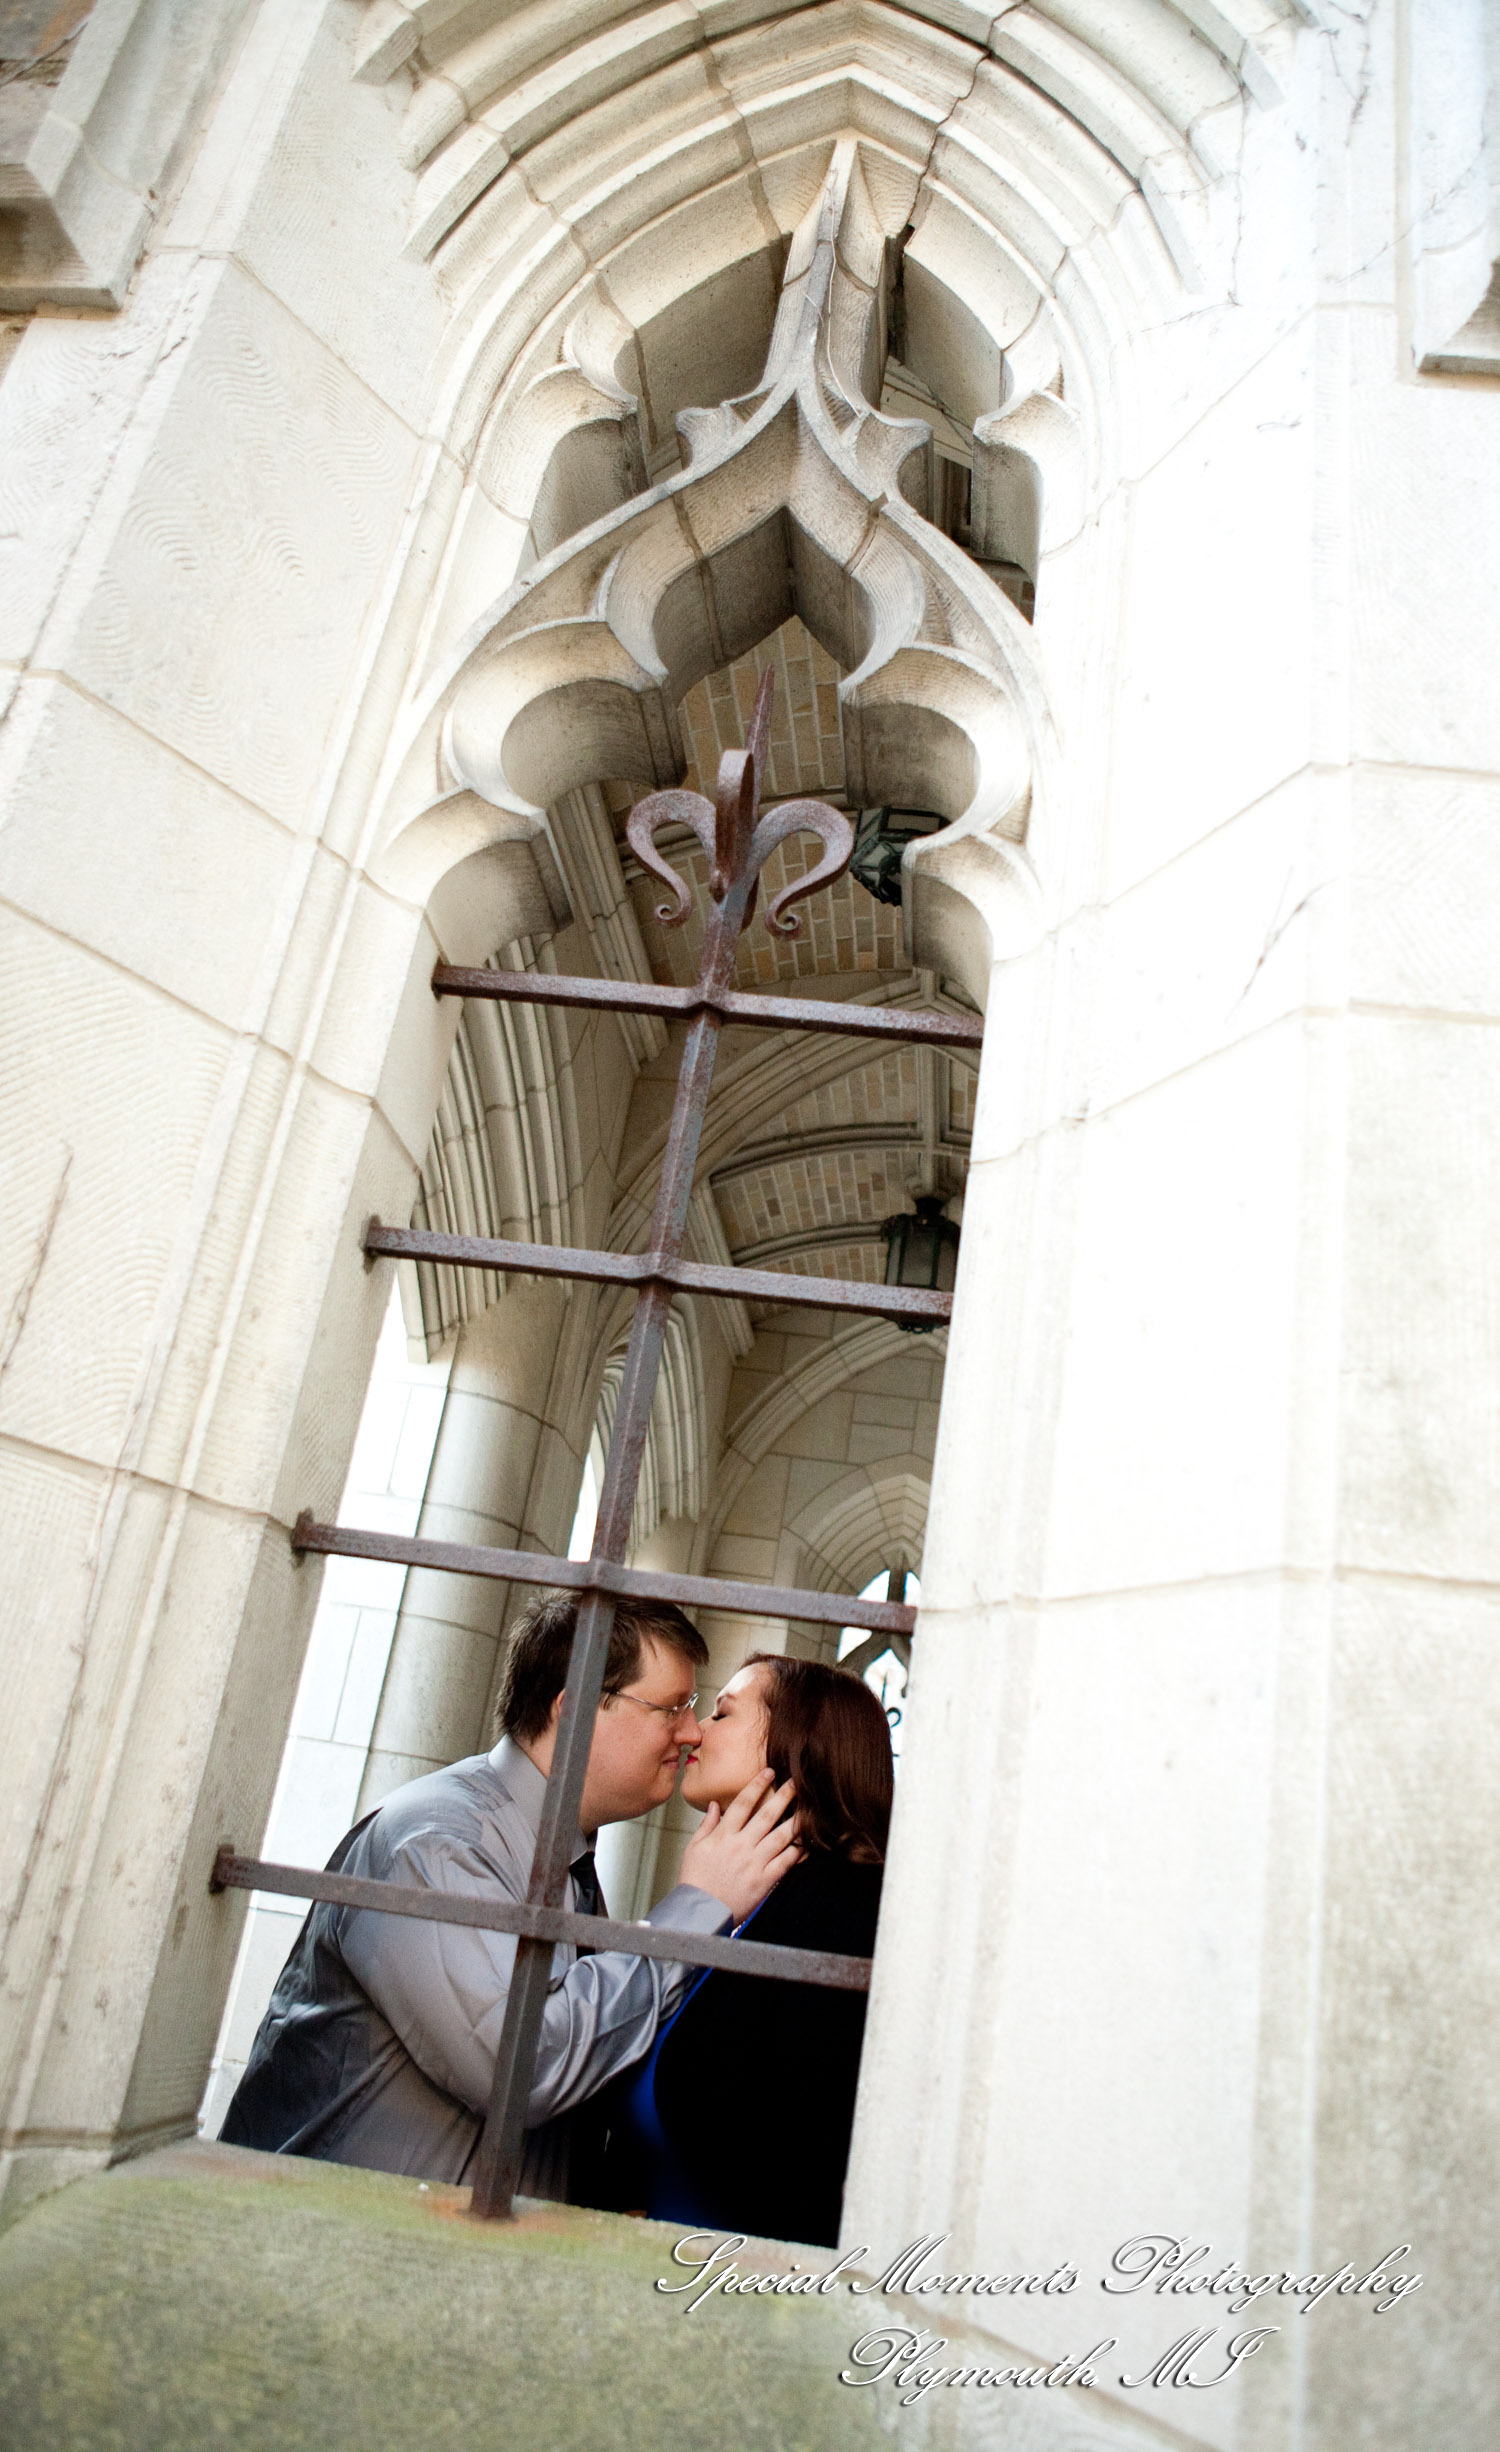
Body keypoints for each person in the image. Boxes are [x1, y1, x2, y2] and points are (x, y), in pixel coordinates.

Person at [219, 1593, 799, 2199]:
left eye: (696, 1707)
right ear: (574, 1713)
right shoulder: (437, 1844)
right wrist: (696, 1909)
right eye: (671, 1707)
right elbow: (517, 2070)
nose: (691, 1733)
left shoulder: (563, 1862)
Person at [589, 1652, 892, 2247]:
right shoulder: (754, 1902)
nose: (694, 1731)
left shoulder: (848, 1915)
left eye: (722, 1714)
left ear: (797, 1746)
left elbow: (804, 2157)